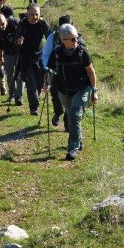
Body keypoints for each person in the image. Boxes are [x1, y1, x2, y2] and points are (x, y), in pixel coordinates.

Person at [45, 23, 97, 161]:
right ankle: (78, 140)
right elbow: (49, 71)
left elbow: (91, 72)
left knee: (74, 114)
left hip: (82, 88)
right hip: (63, 89)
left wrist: (94, 91)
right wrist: (47, 85)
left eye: (76, 38)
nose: (76, 41)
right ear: (63, 41)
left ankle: (72, 148)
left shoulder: (82, 52)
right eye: (72, 39)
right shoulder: (56, 53)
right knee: (70, 114)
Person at [42, 14, 80, 128]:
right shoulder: (53, 37)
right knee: (56, 95)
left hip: (72, 73)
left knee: (70, 98)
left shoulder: (76, 38)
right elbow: (46, 54)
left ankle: (68, 123)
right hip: (55, 72)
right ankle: (58, 112)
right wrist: (47, 67)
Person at [16, 3, 50, 115]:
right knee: (31, 84)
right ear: (27, 14)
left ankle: (36, 98)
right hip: (26, 58)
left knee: (40, 82)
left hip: (40, 57)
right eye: (32, 14)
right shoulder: (23, 24)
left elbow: (50, 37)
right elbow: (17, 36)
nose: (34, 17)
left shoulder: (42, 23)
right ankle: (33, 108)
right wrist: (19, 40)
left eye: (36, 14)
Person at [0, 5, 21, 104]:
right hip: (8, 54)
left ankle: (19, 97)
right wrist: (0, 59)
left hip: (19, 53)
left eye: (2, 24)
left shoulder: (13, 23)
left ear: (6, 21)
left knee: (19, 75)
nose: (1, 27)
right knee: (9, 75)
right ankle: (12, 94)